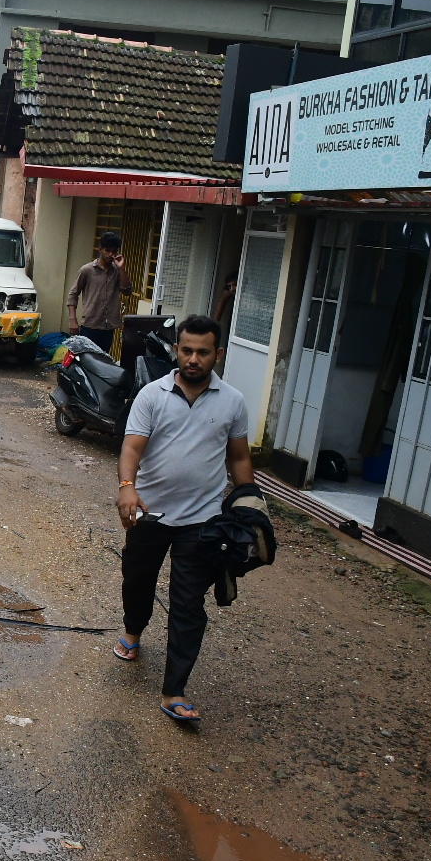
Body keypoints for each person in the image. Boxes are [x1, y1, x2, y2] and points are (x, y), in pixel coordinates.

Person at [114, 314, 254, 725]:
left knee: (189, 603)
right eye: (187, 350)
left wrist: (249, 505)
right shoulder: (152, 395)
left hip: (203, 520)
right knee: (137, 580)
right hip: (151, 513)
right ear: (176, 350)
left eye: (203, 352)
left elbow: (239, 457)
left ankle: (174, 691)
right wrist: (127, 487)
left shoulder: (233, 401)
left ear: (218, 354)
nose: (193, 359)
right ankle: (134, 629)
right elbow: (132, 448)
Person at [66, 230, 133, 355]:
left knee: (102, 360)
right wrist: (72, 319)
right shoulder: (87, 270)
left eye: (114, 252)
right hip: (90, 325)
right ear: (100, 250)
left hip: (108, 328)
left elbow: (127, 291)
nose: (110, 255)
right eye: (107, 250)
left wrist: (121, 269)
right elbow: (73, 294)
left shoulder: (117, 271)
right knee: (85, 359)